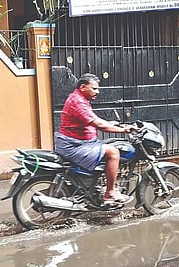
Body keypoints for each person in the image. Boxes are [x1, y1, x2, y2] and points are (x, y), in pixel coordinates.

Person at [55, 73, 136, 204]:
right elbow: (98, 124)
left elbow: (93, 119)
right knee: (113, 153)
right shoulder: (78, 102)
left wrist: (110, 123)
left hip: (80, 142)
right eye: (94, 88)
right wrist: (123, 130)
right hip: (74, 145)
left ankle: (97, 185)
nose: (97, 92)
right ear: (82, 87)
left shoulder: (80, 99)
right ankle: (109, 193)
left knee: (109, 146)